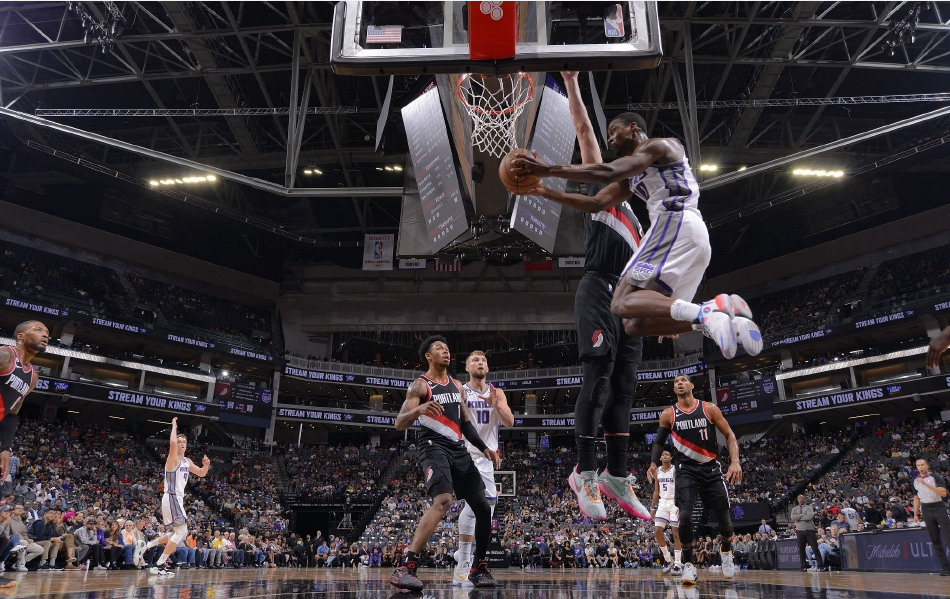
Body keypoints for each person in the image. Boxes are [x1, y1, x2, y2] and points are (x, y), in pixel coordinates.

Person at [512, 115, 762, 360]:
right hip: (690, 235)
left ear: (632, 127)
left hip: (674, 221)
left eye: (613, 130)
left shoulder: (659, 145)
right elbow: (596, 202)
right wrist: (546, 192)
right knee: (635, 324)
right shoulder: (634, 173)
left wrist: (548, 169)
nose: (610, 138)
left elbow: (607, 172)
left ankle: (707, 311)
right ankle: (721, 321)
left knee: (620, 302)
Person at [557, 72, 650, 523]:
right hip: (598, 285)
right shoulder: (604, 184)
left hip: (630, 299)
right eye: (609, 132)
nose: (610, 138)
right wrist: (573, 84)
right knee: (597, 380)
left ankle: (616, 474)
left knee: (625, 389)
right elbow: (584, 132)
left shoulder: (641, 206)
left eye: (619, 131)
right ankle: (586, 473)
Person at [388, 336, 500, 591]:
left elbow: (466, 423)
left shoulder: (457, 386)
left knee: (484, 508)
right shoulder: (420, 385)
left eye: (447, 349)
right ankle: (406, 567)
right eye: (439, 348)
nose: (446, 352)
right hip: (432, 446)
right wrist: (419, 409)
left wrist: (484, 448)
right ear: (428, 356)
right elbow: (399, 423)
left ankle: (479, 567)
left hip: (458, 448)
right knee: (444, 500)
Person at [647, 374, 742, 585]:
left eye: (683, 380)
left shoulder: (709, 409)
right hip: (685, 471)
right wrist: (653, 463)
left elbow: (729, 435)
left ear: (691, 385)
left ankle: (726, 549)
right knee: (686, 516)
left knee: (724, 520)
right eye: (675, 382)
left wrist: (735, 461)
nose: (679, 383)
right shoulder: (668, 414)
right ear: (674, 389)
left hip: (711, 468)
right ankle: (689, 566)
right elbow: (659, 443)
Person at [452, 351, 514, 585]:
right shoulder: (461, 390)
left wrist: (496, 405)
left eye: (484, 361)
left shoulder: (497, 392)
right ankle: (464, 563)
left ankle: (463, 556)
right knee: (477, 504)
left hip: (487, 456)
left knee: (485, 506)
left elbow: (509, 421)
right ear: (467, 367)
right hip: (465, 452)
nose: (481, 363)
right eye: (475, 360)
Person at [142, 417, 211, 576]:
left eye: (184, 442)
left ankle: (149, 544)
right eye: (179, 441)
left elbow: (201, 473)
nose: (181, 444)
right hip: (172, 496)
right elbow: (172, 444)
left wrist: (206, 465)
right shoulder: (172, 459)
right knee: (182, 532)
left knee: (175, 533)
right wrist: (174, 426)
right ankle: (159, 564)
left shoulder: (187, 461)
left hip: (175, 499)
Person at [0, 321, 47, 493]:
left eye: (47, 332)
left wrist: (6, 448)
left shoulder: (33, 377)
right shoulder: (5, 355)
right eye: (38, 330)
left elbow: (12, 413)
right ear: (20, 336)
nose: (45, 335)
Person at [912, 458, 950, 576]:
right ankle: (946, 567)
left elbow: (943, 493)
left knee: (948, 537)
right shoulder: (915, 481)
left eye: (922, 464)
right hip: (926, 509)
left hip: (939, 507)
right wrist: (916, 513)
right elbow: (916, 498)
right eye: (918, 465)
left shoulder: (936, 477)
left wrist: (926, 484)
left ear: (927, 465)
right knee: (935, 540)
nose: (920, 467)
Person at [651, 450, 682, 575]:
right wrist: (653, 508)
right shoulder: (657, 471)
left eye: (667, 454)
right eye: (663, 454)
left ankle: (678, 564)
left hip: (674, 503)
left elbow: (680, 488)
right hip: (663, 503)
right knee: (658, 533)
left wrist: (681, 504)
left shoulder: (675, 470)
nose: (664, 456)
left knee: (675, 534)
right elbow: (656, 492)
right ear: (660, 458)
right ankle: (668, 559)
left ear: (671, 457)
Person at [790, 495, 824, 572]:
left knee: (815, 548)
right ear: (797, 499)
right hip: (799, 531)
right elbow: (793, 518)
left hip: (809, 530)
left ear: (804, 499)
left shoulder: (809, 507)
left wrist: (798, 517)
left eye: (802, 497)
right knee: (801, 549)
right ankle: (803, 566)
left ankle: (821, 565)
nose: (801, 499)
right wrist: (803, 515)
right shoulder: (794, 509)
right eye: (799, 498)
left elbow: (809, 517)